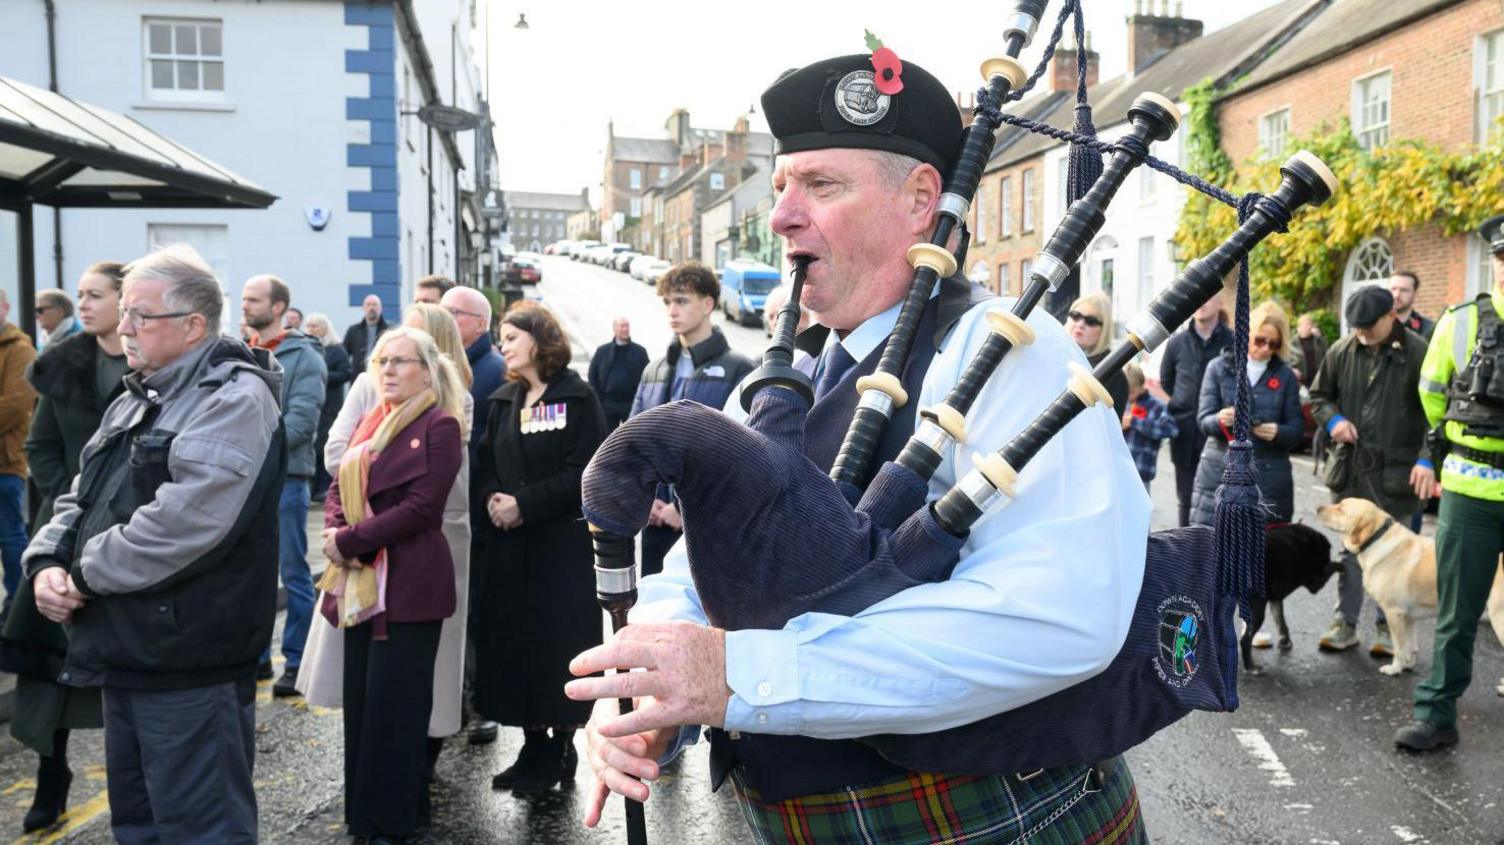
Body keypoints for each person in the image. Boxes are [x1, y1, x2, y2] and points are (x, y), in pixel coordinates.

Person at [566, 54, 1149, 843]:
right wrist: (645, 688)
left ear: (920, 202)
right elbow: (700, 569)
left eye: (821, 185)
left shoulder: (1005, 347)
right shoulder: (774, 384)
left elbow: (1061, 611)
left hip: (998, 820)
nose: (781, 217)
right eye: (779, 188)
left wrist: (741, 672)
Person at [23, 244, 281, 843]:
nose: (124, 327)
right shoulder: (142, 394)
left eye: (141, 315)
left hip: (188, 657)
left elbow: (182, 525)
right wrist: (46, 564)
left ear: (194, 326)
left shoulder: (232, 399)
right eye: (126, 313)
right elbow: (80, 496)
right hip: (132, 648)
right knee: (139, 826)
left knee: (200, 828)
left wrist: (80, 576)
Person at [304, 305, 475, 777]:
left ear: (428, 372)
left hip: (410, 578)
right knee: (363, 705)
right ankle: (364, 815)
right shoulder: (370, 418)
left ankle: (395, 820)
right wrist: (336, 531)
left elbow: (423, 507)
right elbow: (341, 479)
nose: (388, 370)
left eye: (400, 361)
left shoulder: (441, 423)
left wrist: (351, 539)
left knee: (396, 708)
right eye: (382, 361)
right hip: (361, 580)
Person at [0, 261, 125, 832]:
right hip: (64, 533)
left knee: (128, 669)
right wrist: (67, 498)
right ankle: (52, 779)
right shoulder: (65, 365)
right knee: (47, 667)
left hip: (133, 537)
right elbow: (41, 445)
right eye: (79, 295)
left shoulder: (161, 366)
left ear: (130, 301)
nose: (85, 304)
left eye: (95, 294)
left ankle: (136, 784)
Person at [474, 302, 606, 795]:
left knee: (556, 646)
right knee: (517, 647)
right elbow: (485, 462)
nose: (502, 344)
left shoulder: (577, 397)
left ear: (539, 339)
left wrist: (524, 504)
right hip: (511, 551)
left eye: (511, 335)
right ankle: (532, 745)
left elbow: (585, 471)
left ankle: (560, 747)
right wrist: (492, 499)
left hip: (558, 551)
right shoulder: (504, 399)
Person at [1394, 214, 1504, 751]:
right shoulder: (1459, 323)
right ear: (1497, 262)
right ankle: (1437, 715)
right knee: (1458, 613)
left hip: (1472, 485)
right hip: (1471, 492)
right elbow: (1432, 395)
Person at [1308, 285, 1434, 656]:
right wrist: (1333, 422)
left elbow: (1436, 412)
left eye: (1368, 326)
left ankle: (1386, 627)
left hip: (1398, 474)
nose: (1361, 333)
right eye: (1356, 327)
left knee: (1399, 552)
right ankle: (1344, 623)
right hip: (1353, 469)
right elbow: (1319, 395)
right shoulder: (1342, 350)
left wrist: (1427, 458)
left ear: (1390, 315)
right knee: (1350, 551)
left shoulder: (1418, 352)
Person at [629, 262, 756, 576]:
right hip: (655, 523)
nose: (672, 310)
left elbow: (743, 459)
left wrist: (683, 512)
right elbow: (633, 446)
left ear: (708, 304)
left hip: (711, 528)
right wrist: (642, 501)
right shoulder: (654, 370)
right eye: (668, 302)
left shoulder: (740, 370)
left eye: (682, 301)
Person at [241, 274, 328, 697]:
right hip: (244, 483)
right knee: (250, 572)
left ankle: (296, 662)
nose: (244, 306)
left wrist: (243, 444)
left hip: (287, 480)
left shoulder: (304, 358)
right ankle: (256, 658)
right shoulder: (241, 353)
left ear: (277, 308)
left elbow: (301, 424)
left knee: (293, 573)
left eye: (253, 299)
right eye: (243, 298)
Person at [438, 284, 507, 747]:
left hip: (478, 516)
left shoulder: (490, 371)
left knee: (480, 616)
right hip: (457, 511)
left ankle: (482, 705)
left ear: (479, 323)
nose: (444, 318)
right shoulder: (456, 368)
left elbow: (490, 447)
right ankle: (462, 700)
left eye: (452, 312)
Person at [1190, 301, 1304, 526]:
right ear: (1247, 334)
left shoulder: (1286, 375)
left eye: (1273, 344)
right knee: (1211, 549)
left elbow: (1296, 430)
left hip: (1269, 476)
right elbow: (1203, 420)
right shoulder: (1218, 367)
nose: (1265, 348)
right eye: (1260, 340)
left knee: (1264, 554)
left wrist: (1278, 432)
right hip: (1220, 472)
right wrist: (1221, 418)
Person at [1160, 296, 1233, 527]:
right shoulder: (1177, 342)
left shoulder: (1233, 341)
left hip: (1218, 434)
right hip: (1185, 432)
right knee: (1186, 497)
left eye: (1209, 298)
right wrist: (1183, 402)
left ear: (1220, 302)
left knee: (1218, 499)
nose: (1201, 303)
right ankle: (1186, 552)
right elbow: (1166, 379)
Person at [0, 288, 38, 610]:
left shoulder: (21, 349)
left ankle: (17, 606)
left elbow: (15, 405)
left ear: (6, 307)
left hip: (5, 462)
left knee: (10, 535)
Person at [302, 313, 353, 503]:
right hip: (312, 405)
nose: (312, 329)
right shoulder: (306, 349)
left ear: (325, 327)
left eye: (316, 325)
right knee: (312, 446)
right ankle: (314, 487)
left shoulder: (336, 350)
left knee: (325, 446)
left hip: (330, 406)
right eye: (309, 326)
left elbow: (346, 373)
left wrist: (323, 375)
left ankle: (324, 487)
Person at [1066, 292, 1129, 412]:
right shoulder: (1058, 353)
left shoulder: (1111, 371)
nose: (1080, 324)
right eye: (1075, 315)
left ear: (1104, 330)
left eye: (1091, 321)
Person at [1121, 361, 1178, 493]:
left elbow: (1171, 430)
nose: (1128, 396)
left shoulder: (1156, 406)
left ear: (1141, 385)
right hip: (1120, 471)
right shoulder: (1123, 402)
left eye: (1131, 392)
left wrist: (1136, 422)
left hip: (1141, 475)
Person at [588, 316, 649, 431]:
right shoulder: (602, 351)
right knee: (607, 439)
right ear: (615, 329)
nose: (625, 329)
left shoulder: (640, 352)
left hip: (630, 403)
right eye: (622, 326)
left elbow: (647, 377)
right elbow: (592, 375)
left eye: (627, 326)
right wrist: (598, 399)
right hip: (607, 404)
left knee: (632, 436)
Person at [344, 294, 392, 367]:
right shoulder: (353, 331)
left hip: (381, 371)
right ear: (363, 308)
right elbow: (344, 355)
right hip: (359, 373)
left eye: (374, 304)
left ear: (381, 308)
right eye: (368, 305)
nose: (371, 307)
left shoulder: (389, 330)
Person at [1389, 270, 1434, 341]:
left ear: (1415, 294)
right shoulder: (1376, 324)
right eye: (1393, 289)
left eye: (1404, 290)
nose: (1396, 295)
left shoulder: (1428, 328)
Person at [1294, 313, 1329, 388]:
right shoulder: (1292, 343)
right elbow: (1286, 361)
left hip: (1317, 380)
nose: (1308, 327)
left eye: (1310, 324)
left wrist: (1319, 337)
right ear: (1299, 328)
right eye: (1305, 325)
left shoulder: (1318, 340)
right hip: (1301, 382)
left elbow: (1327, 353)